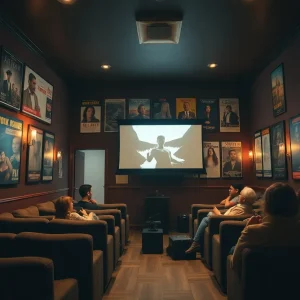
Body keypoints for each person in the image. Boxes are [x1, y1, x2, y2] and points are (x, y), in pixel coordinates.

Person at [231, 183, 300, 273]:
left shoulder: (252, 231)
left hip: (259, 283)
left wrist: (247, 227)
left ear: (267, 204)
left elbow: (234, 264)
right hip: (294, 282)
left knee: (232, 249)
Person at [185, 186, 256, 254]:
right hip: (222, 220)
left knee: (206, 218)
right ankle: (197, 243)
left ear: (244, 199)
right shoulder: (245, 207)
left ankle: (196, 243)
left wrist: (217, 213)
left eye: (240, 195)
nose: (239, 196)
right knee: (209, 215)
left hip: (223, 225)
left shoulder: (240, 209)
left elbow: (226, 219)